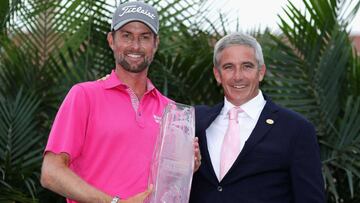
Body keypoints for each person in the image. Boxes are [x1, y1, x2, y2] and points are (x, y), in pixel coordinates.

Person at [40, 2, 200, 203]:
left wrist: (185, 167)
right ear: (111, 40)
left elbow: (171, 184)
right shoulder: (84, 95)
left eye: (144, 37)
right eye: (126, 35)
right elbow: (51, 172)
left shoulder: (172, 110)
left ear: (156, 43)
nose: (135, 46)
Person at [189, 33, 325, 202]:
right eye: (229, 67)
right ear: (217, 75)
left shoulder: (296, 129)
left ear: (261, 72)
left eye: (247, 66)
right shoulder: (193, 122)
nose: (238, 76)